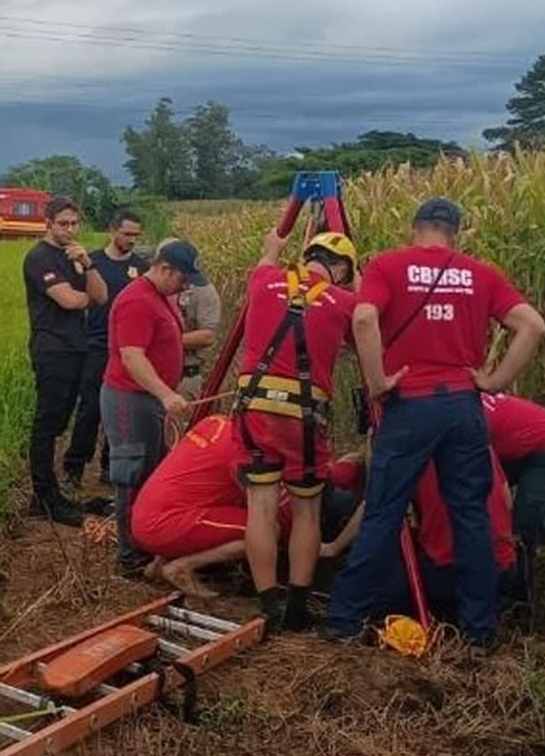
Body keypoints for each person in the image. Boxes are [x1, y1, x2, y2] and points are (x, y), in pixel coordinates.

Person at [323, 197, 545, 651]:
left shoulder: (388, 266)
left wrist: (378, 381)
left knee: (383, 513)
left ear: (415, 227)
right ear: (455, 233)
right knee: (471, 517)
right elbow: (533, 326)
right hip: (464, 408)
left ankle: (344, 621)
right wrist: (495, 379)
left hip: (410, 406)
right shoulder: (480, 273)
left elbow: (364, 318)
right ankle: (480, 632)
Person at [234, 227, 360, 629]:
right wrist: (357, 282)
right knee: (307, 510)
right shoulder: (344, 301)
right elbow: (369, 330)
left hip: (252, 408)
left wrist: (274, 244)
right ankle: (298, 608)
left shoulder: (264, 280)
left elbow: (268, 255)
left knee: (261, 505)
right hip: (303, 417)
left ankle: (268, 603)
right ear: (340, 269)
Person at [132, 413, 362, 598]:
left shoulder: (216, 422)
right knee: (266, 531)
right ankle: (182, 566)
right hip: (167, 523)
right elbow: (273, 506)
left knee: (208, 494)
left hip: (146, 516)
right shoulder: (245, 452)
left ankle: (161, 559)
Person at [321, 446, 524, 624]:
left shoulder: (410, 451)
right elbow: (507, 501)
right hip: (503, 568)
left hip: (452, 571)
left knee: (364, 591)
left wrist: (334, 547)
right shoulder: (479, 443)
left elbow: (374, 509)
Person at [102, 238, 205, 575]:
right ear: (163, 269)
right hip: (130, 399)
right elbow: (132, 357)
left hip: (146, 399)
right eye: (182, 278)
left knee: (150, 472)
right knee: (131, 474)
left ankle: (146, 544)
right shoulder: (136, 301)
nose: (185, 285)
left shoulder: (160, 296)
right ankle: (130, 558)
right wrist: (165, 394)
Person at [22, 197, 109, 525]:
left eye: (74, 224)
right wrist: (85, 298)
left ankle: (51, 491)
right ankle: (43, 496)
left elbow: (101, 297)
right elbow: (70, 300)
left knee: (60, 422)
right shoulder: (39, 258)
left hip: (76, 347)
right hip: (52, 349)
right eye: (63, 224)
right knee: (46, 423)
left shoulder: (74, 255)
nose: (70, 230)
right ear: (48, 223)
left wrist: (89, 264)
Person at [69, 211, 148, 489]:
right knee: (90, 410)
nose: (131, 240)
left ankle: (109, 466)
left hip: (128, 349)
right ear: (113, 231)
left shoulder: (142, 268)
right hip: (97, 345)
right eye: (127, 234)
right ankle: (74, 468)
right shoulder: (92, 262)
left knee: (122, 411)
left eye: (136, 235)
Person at [481, 391, 545, 553]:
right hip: (517, 445)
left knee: (523, 534)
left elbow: (500, 489)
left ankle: (521, 571)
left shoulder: (469, 418)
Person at [173, 265, 223, 401]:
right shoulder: (149, 290)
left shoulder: (202, 290)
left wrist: (165, 341)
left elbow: (207, 336)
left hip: (184, 378)